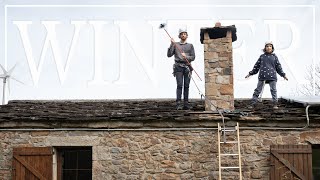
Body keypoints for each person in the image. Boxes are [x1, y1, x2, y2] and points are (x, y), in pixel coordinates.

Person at [245, 41, 288, 109]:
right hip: (262, 76)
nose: (268, 47)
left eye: (270, 46)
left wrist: (283, 75)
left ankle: (275, 104)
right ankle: (252, 103)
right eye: (267, 46)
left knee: (273, 90)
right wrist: (250, 73)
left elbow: (278, 67)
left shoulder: (274, 57)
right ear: (265, 48)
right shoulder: (262, 57)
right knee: (257, 90)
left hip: (272, 76)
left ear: (272, 48)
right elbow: (256, 67)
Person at [167, 28, 195, 110]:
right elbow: (169, 55)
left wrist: (186, 56)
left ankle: (186, 103)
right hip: (178, 67)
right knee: (179, 85)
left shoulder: (190, 46)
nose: (183, 35)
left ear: (187, 35)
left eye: (185, 34)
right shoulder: (175, 45)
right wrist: (171, 44)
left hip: (187, 67)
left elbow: (193, 57)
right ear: (179, 35)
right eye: (182, 34)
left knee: (187, 86)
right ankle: (178, 103)